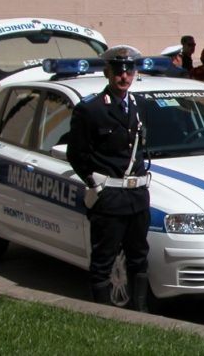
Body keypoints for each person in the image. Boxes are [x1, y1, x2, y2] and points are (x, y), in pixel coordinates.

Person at [67, 45, 151, 311]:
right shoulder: (91, 110)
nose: (123, 77)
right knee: (104, 259)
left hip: (136, 197)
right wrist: (95, 185)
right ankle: (102, 316)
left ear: (135, 73)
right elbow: (76, 154)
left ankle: (141, 314)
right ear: (107, 73)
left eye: (128, 72)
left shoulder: (138, 106)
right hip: (109, 199)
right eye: (117, 72)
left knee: (139, 257)